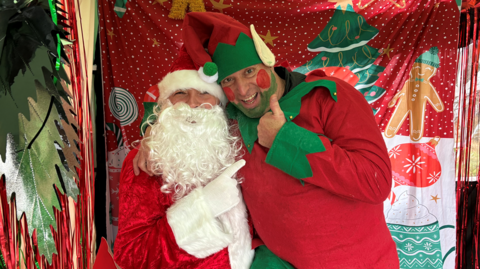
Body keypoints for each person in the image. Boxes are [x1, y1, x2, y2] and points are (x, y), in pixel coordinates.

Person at [136, 12, 399, 269]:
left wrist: (285, 138)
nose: (243, 90)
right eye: (229, 80)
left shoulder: (329, 97)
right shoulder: (231, 118)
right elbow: (185, 110)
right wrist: (152, 133)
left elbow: (375, 181)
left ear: (268, 60)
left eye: (250, 72)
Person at [114, 47, 255, 269]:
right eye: (180, 93)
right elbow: (131, 256)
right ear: (166, 103)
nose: (192, 103)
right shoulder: (146, 160)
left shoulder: (237, 146)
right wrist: (203, 208)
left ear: (219, 103)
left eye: (203, 93)